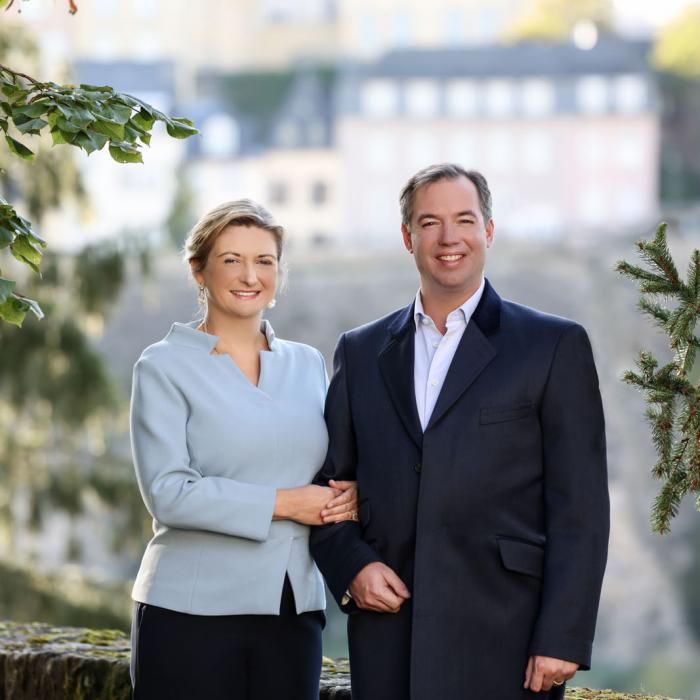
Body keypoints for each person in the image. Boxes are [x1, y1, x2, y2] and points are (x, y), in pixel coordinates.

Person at [310, 164, 610, 699]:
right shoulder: (360, 352)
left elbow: (580, 507)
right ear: (408, 237)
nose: (449, 238)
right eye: (430, 222)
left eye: (464, 220)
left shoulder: (552, 346)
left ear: (488, 231)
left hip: (509, 639)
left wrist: (563, 635)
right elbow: (329, 492)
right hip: (390, 637)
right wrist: (352, 567)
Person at [129, 199, 358, 700]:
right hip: (189, 611)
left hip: (291, 609)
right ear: (199, 271)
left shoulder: (307, 363)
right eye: (231, 259)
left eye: (265, 261)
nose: (250, 275)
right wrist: (284, 503)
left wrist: (350, 497)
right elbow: (169, 492)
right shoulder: (163, 366)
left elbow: (331, 472)